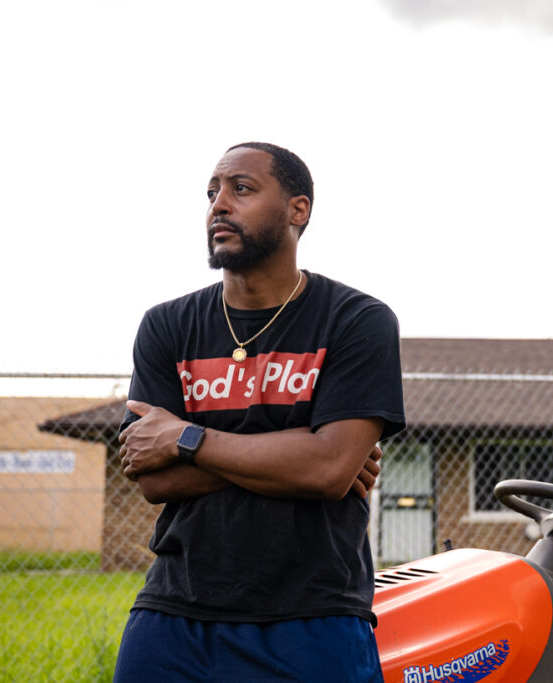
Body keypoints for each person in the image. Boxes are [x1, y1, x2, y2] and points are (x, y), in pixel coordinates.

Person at [112, 142, 406, 682]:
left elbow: (327, 469)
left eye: (240, 189)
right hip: (174, 613)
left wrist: (186, 439)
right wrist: (295, 451)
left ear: (299, 209)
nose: (218, 205)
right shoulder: (166, 326)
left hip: (312, 616)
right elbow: (153, 480)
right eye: (211, 193)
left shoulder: (356, 320)